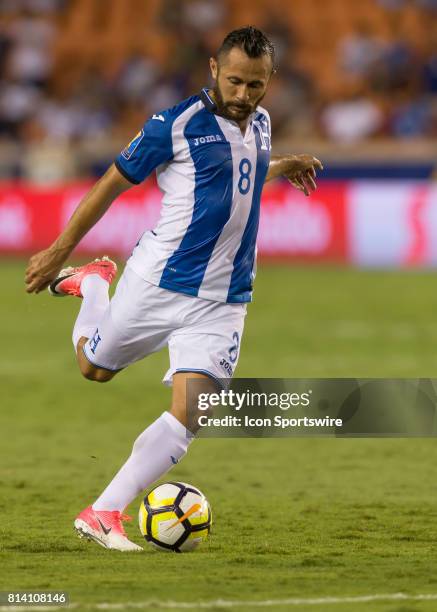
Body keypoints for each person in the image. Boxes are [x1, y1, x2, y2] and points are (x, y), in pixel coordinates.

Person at [25, 26, 323, 551]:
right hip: (158, 282)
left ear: (269, 80)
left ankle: (103, 512)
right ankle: (93, 285)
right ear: (213, 68)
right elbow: (110, 184)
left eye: (256, 85)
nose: (244, 95)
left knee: (195, 410)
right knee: (94, 369)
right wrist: (59, 250)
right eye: (234, 81)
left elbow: (240, 175)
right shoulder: (174, 124)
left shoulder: (262, 123)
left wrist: (283, 166)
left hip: (225, 299)